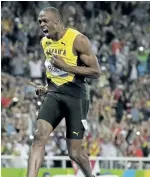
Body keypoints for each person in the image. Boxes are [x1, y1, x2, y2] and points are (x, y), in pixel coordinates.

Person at [27, 7, 101, 177]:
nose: (41, 24)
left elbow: (96, 72)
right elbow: (54, 72)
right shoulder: (45, 42)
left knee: (74, 153)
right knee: (39, 137)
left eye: (45, 20)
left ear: (57, 21)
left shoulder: (78, 39)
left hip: (77, 97)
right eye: (39, 21)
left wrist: (66, 66)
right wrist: (46, 88)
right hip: (54, 95)